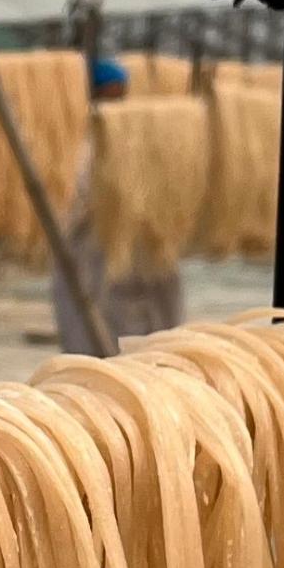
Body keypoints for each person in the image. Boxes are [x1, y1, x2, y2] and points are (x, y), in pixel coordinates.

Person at [51, 51, 181, 353]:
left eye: (119, 97)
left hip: (140, 251)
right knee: (92, 327)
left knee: (152, 327)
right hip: (90, 253)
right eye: (106, 97)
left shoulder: (135, 141)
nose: (114, 107)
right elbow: (69, 203)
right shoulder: (76, 147)